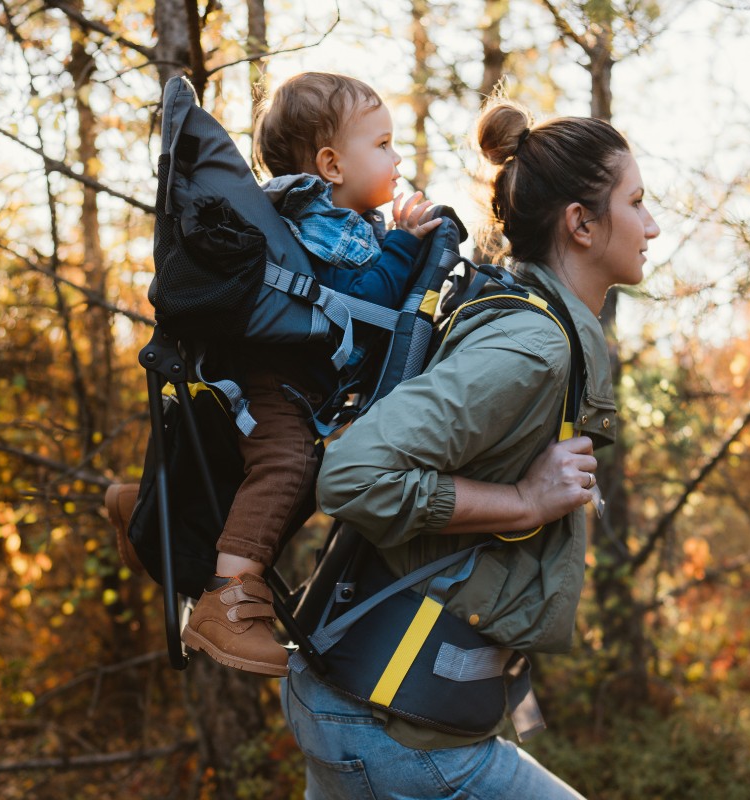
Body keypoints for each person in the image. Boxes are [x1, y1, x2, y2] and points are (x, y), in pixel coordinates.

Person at [280, 93, 660, 799]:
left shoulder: (537, 323)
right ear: (580, 223)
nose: (653, 225)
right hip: (393, 731)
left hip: (364, 703)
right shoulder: (532, 345)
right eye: (636, 203)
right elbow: (353, 474)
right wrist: (521, 501)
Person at [165, 72, 447, 677]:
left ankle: (147, 508)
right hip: (271, 386)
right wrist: (403, 245)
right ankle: (227, 604)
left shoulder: (336, 219)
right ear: (332, 164)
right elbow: (353, 299)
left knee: (299, 474)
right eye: (383, 144)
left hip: (278, 385)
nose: (397, 158)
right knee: (288, 467)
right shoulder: (323, 220)